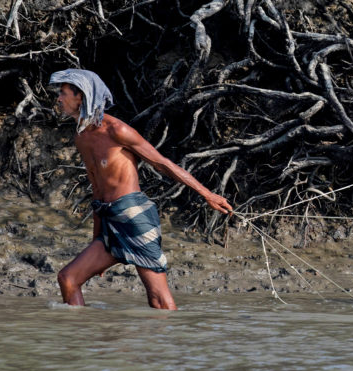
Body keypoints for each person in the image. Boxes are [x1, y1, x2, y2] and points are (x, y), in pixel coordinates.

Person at [49, 69, 233, 310]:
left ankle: (171, 342)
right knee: (68, 279)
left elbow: (163, 163)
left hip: (135, 216)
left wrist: (207, 194)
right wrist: (97, 240)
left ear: (80, 96)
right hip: (108, 220)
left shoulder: (117, 130)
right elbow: (96, 189)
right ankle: (84, 340)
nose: (58, 99)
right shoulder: (81, 137)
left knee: (159, 301)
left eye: (63, 93)